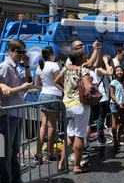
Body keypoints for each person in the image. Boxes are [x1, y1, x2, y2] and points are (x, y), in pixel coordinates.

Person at [55, 47, 94, 175]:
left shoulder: (65, 69)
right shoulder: (83, 70)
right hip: (80, 105)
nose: (86, 56)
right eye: (84, 55)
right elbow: (88, 87)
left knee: (70, 135)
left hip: (67, 105)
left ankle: (61, 163)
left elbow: (56, 81)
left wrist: (65, 92)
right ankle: (77, 166)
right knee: (79, 135)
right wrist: (93, 86)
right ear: (80, 58)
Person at [0, 40, 33, 183]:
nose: (21, 55)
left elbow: (28, 83)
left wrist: (27, 66)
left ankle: (15, 182)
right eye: (19, 52)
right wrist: (19, 89)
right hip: (8, 114)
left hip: (16, 113)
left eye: (23, 52)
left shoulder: (15, 67)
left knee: (14, 151)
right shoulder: (5, 67)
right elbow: (3, 90)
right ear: (11, 51)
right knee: (5, 153)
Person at [34, 46, 64, 163]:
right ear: (51, 54)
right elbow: (58, 81)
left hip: (43, 95)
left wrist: (46, 88)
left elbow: (36, 84)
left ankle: (39, 152)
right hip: (54, 96)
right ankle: (51, 153)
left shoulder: (39, 66)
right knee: (51, 126)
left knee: (43, 125)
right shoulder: (54, 65)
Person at [109, 66, 124, 147]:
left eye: (121, 70)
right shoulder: (113, 82)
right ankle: (115, 140)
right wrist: (118, 103)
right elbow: (112, 95)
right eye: (117, 71)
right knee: (115, 123)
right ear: (115, 73)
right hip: (115, 104)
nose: (119, 72)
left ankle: (118, 138)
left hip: (123, 105)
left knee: (123, 123)